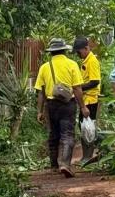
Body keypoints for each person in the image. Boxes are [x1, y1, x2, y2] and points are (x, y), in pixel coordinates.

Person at [34, 38, 90, 178]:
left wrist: (39, 111)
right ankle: (65, 164)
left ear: (51, 52)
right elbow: (77, 88)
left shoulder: (44, 67)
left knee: (53, 135)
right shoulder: (72, 64)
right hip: (68, 104)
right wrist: (83, 107)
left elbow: (40, 92)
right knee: (67, 134)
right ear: (64, 50)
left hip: (51, 105)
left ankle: (54, 166)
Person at [72, 36, 101, 165]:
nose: (78, 55)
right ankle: (86, 156)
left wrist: (78, 87)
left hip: (91, 99)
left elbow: (95, 82)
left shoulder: (92, 61)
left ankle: (88, 156)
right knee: (84, 127)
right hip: (86, 98)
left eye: (79, 52)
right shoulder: (85, 60)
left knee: (87, 128)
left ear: (86, 48)